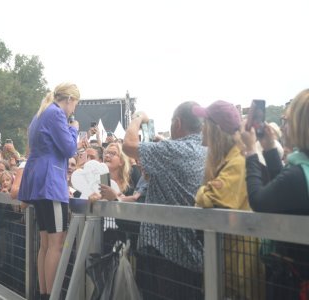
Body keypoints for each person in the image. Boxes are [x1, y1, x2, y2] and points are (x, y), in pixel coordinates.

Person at [123, 101, 206, 300]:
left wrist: (138, 118)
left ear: (177, 123)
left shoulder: (175, 151)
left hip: (167, 252)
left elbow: (128, 146)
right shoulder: (206, 150)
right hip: (196, 252)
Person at [193, 100, 265, 299]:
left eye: (205, 123)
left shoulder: (237, 162)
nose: (201, 128)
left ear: (215, 129)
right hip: (227, 260)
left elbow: (208, 199)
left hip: (236, 265)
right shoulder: (230, 160)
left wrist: (201, 192)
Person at [241, 89, 309, 299]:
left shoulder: (299, 174)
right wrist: (269, 148)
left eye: (286, 120)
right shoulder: (301, 171)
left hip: (296, 280)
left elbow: (259, 201)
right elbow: (284, 191)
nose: (283, 126)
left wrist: (251, 152)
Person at [18, 82, 80, 300]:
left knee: (45, 244)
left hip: (40, 180)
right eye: (75, 105)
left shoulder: (41, 113)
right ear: (70, 100)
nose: (74, 111)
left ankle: (43, 294)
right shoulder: (56, 113)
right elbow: (70, 149)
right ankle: (52, 295)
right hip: (50, 183)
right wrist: (74, 128)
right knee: (55, 244)